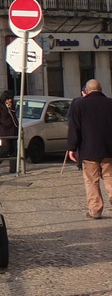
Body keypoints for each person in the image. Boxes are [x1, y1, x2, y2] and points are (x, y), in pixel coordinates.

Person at [67, 78, 112, 219]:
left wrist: (71, 148)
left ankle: (95, 210)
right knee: (110, 176)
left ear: (86, 91)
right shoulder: (110, 104)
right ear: (101, 89)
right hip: (109, 149)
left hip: (88, 150)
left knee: (91, 181)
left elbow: (74, 128)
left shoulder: (79, 105)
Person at [0, 90, 18, 173]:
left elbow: (13, 116)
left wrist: (11, 109)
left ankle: (13, 169)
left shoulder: (12, 106)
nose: (10, 100)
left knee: (13, 150)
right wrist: (1, 127)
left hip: (13, 130)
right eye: (8, 99)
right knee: (6, 148)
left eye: (11, 99)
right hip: (4, 131)